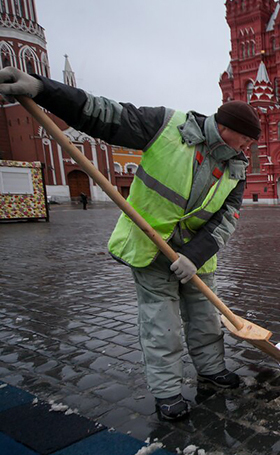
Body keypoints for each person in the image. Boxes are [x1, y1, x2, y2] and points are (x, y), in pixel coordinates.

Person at [0, 67, 257, 421]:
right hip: (151, 248)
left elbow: (226, 217)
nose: (247, 148)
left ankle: (212, 369)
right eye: (245, 140)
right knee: (161, 323)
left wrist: (193, 256)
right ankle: (168, 393)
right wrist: (43, 89)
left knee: (205, 319)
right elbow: (103, 113)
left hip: (197, 256)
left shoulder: (237, 167)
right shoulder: (168, 126)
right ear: (226, 129)